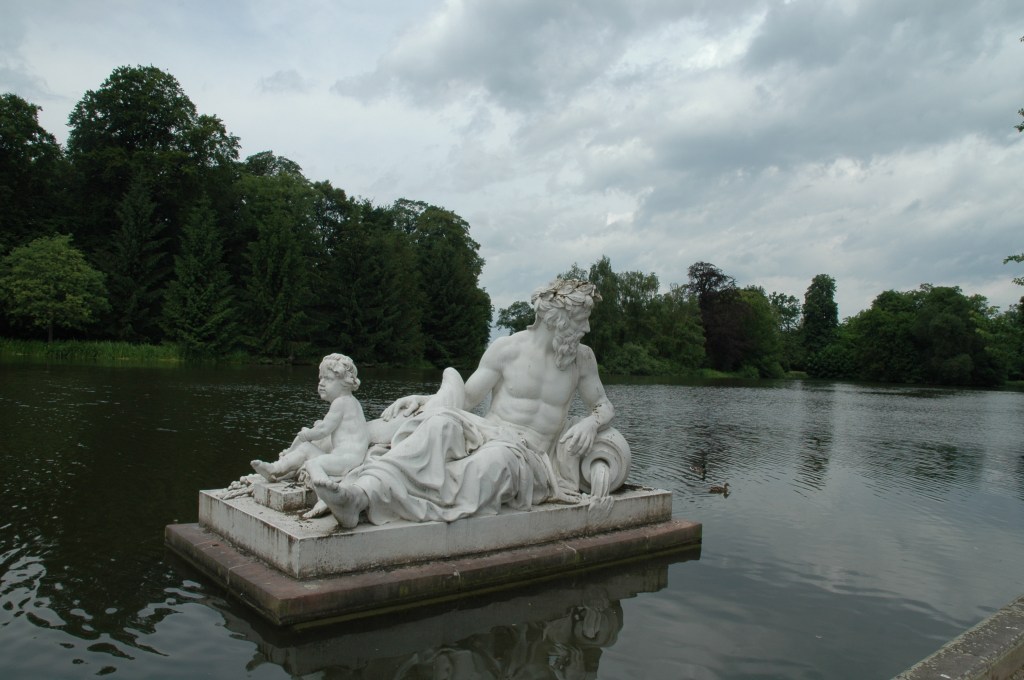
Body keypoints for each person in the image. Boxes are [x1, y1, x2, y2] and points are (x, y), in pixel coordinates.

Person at [313, 278, 615, 528]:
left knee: (493, 461)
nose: (586, 329)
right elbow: (467, 399)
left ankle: (385, 500)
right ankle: (360, 494)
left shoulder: (582, 359)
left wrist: (592, 422)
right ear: (556, 319)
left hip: (528, 454)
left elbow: (603, 405)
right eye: (580, 320)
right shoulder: (506, 349)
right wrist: (424, 400)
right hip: (486, 430)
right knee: (439, 423)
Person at [250, 353, 369, 484]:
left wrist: (307, 434)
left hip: (346, 462)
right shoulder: (352, 402)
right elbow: (333, 425)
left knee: (312, 463)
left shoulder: (341, 402)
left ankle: (323, 487)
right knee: (305, 448)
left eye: (328, 379)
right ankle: (275, 468)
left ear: (345, 383)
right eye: (321, 378)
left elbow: (324, 430)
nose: (321, 383)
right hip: (340, 459)